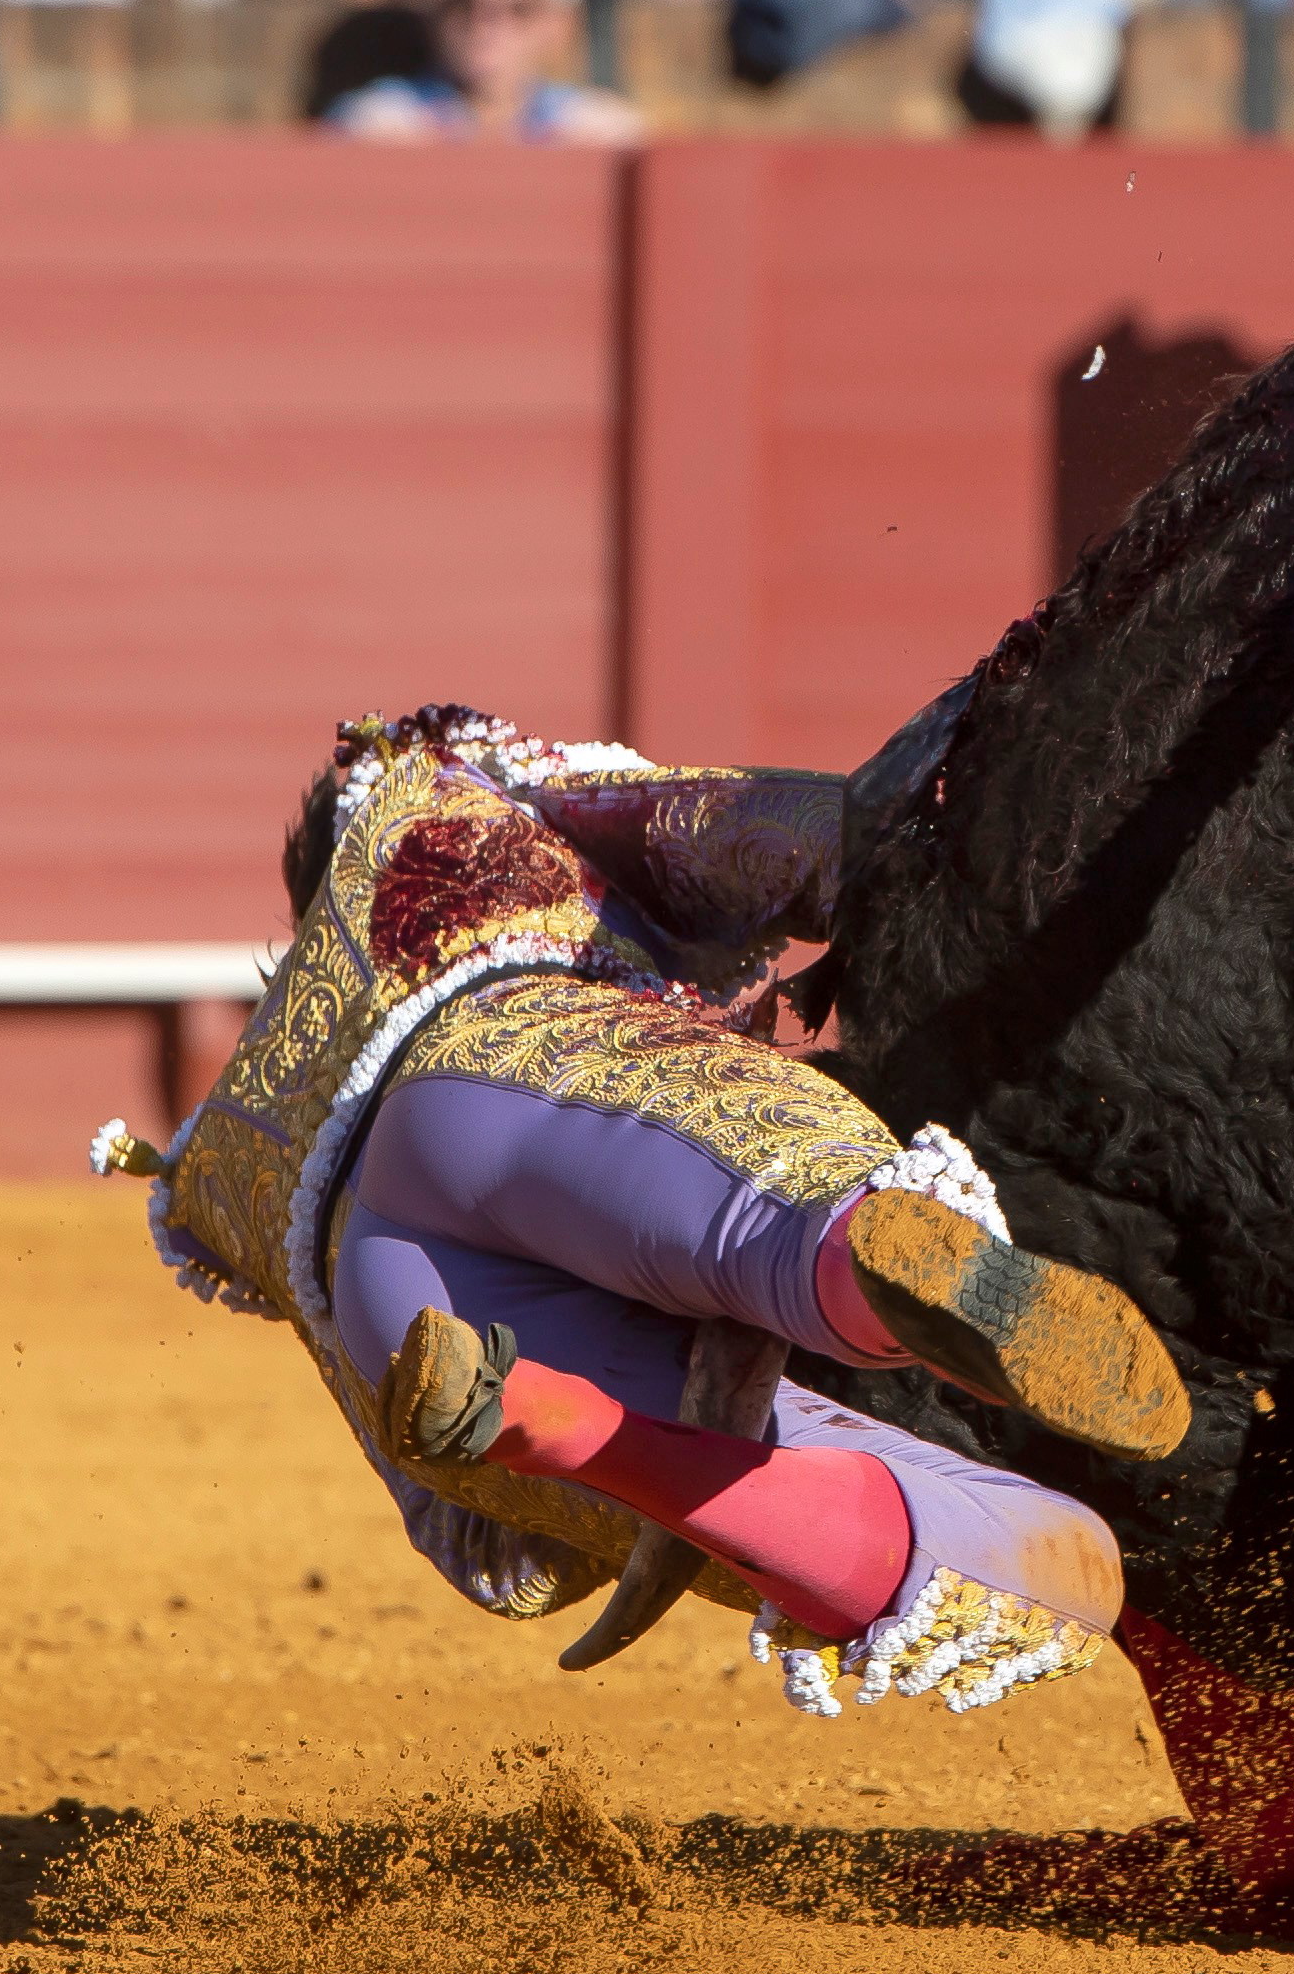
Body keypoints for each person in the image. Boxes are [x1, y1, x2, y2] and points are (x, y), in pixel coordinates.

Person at [93, 705, 1186, 1716]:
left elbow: (489, 1552)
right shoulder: (456, 803)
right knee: (780, 1226)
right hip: (494, 1075)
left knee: (1042, 1559)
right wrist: (912, 866)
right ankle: (850, 1263)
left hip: (388, 1299)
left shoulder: (235, 1167)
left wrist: (562, 1507)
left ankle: (581, 1432)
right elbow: (751, 837)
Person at [326, 0, 644, 141]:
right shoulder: (382, 121)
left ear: (551, 20)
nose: (487, 23)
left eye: (517, 8)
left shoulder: (592, 128)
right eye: (464, 2)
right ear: (436, 10)